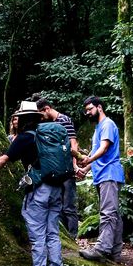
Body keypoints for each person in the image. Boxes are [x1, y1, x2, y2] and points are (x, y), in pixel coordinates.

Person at [0, 100, 69, 266]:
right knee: (52, 231)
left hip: (39, 189)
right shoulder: (49, 134)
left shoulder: (26, 137)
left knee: (37, 232)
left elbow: (3, 160)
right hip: (57, 188)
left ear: (24, 119)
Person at [77, 96, 125, 262]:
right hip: (102, 175)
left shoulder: (107, 125)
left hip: (109, 174)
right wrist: (85, 168)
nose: (88, 113)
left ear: (99, 107)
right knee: (113, 214)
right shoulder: (98, 128)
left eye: (90, 109)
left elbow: (104, 149)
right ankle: (115, 252)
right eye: (86, 111)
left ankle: (102, 248)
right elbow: (96, 154)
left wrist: (88, 160)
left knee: (108, 213)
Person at [34, 97, 83, 240]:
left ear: (47, 109)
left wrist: (74, 165)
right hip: (56, 170)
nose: (41, 118)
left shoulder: (64, 120)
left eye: (41, 114)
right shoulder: (51, 124)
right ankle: (64, 237)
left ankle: (73, 237)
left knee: (68, 205)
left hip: (67, 169)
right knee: (58, 206)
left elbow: (73, 144)